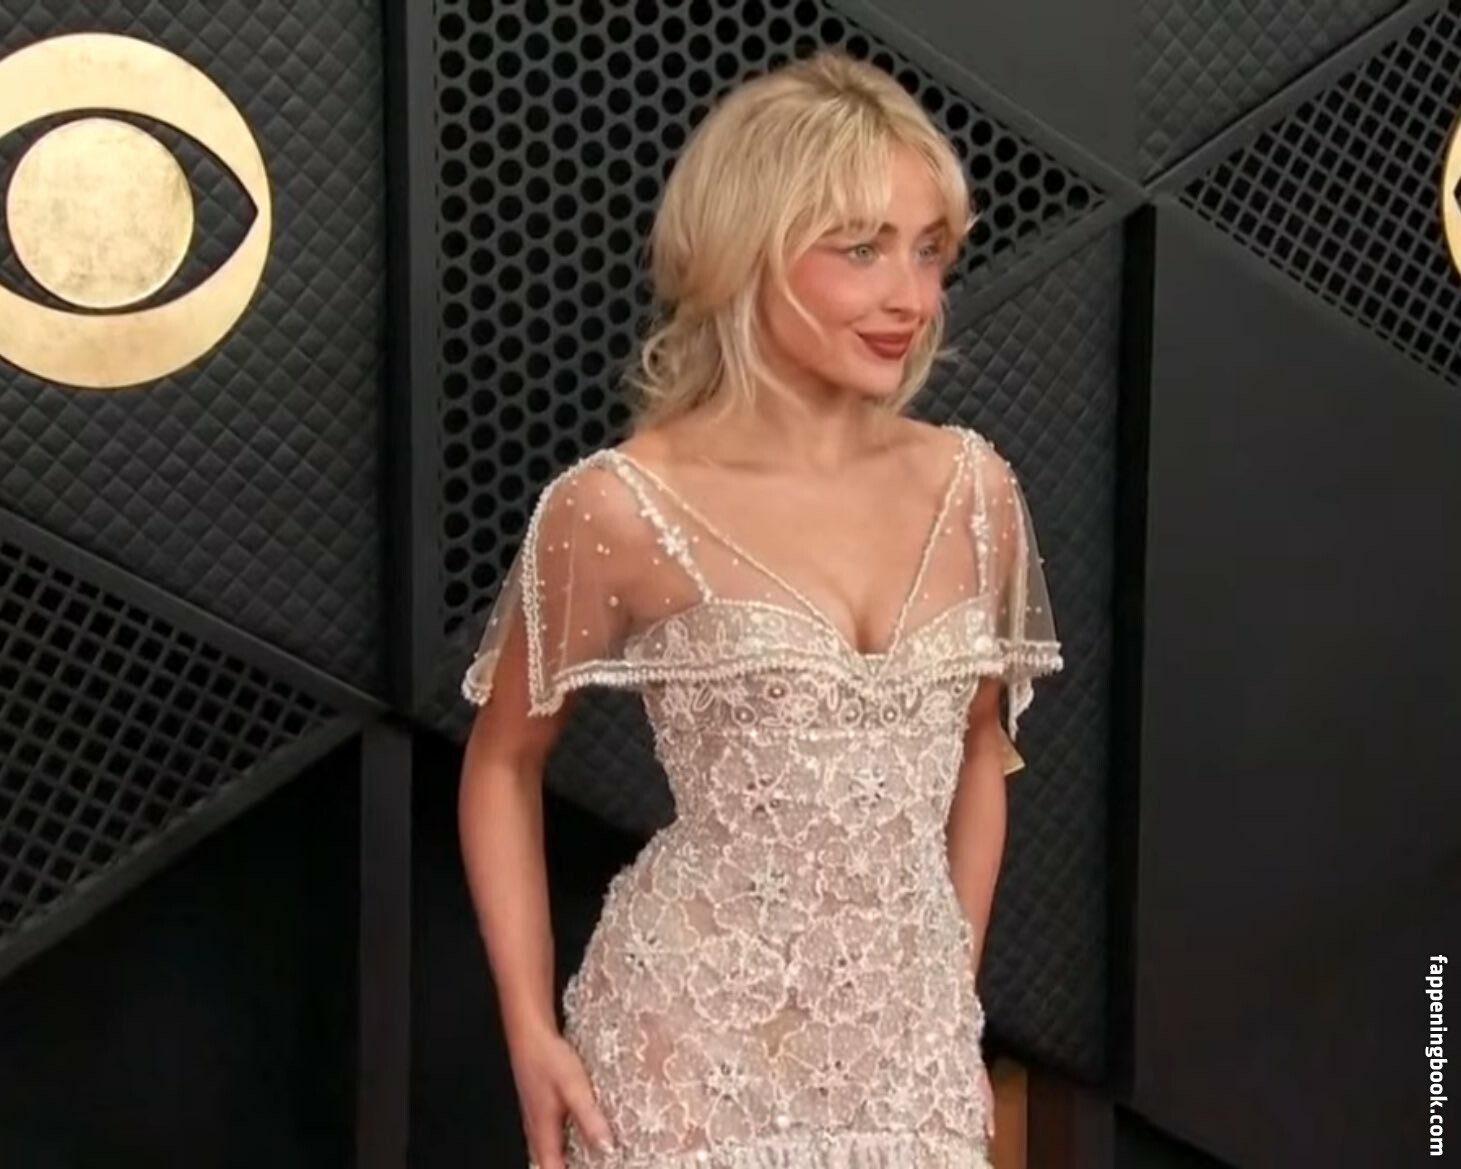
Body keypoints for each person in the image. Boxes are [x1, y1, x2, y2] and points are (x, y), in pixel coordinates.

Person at [458, 48, 1064, 1169]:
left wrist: (947, 990)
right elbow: (501, 759)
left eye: (929, 249)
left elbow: (981, 748)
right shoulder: (618, 506)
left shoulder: (973, 487)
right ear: (748, 247)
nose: (910, 297)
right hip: (686, 1054)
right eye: (861, 248)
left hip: (909, 1062)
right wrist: (529, 1031)